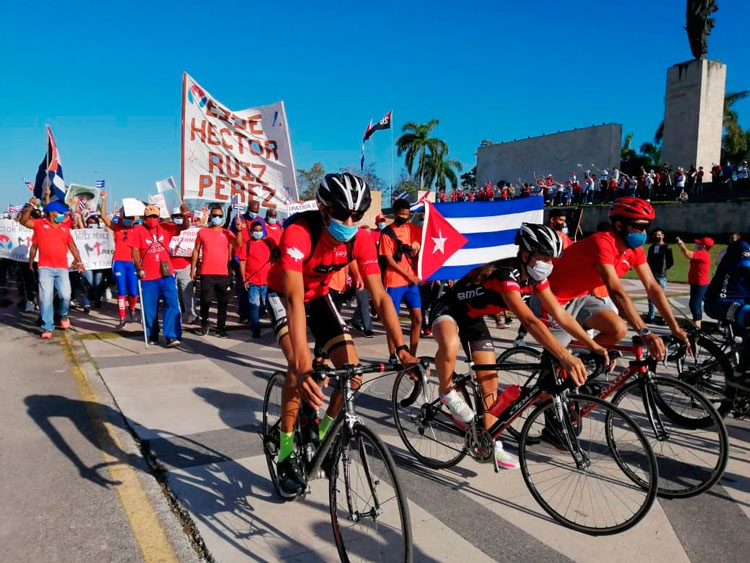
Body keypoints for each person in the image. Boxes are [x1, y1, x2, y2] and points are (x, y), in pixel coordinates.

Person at [265, 172, 418, 497]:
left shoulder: (361, 239)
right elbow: (293, 298)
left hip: (318, 297)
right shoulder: (299, 232)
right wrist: (303, 365)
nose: (349, 221)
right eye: (342, 214)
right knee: (297, 372)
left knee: (353, 374)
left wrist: (401, 349)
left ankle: (322, 434)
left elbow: (380, 297)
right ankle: (286, 450)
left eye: (356, 216)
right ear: (324, 210)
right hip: (285, 295)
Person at [430, 224, 608, 468]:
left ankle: (489, 442)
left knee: (489, 383)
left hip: (473, 319)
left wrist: (592, 345)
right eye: (544, 258)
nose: (549, 264)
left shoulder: (536, 279)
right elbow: (530, 321)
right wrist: (564, 355)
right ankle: (446, 392)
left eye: (552, 259)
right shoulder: (506, 275)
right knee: (449, 344)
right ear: (525, 255)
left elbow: (560, 314)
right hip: (449, 309)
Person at [532, 198, 690, 360]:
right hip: (552, 298)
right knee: (559, 360)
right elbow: (616, 292)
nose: (643, 233)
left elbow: (652, 287)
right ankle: (556, 372)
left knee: (618, 329)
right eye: (639, 227)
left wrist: (675, 328)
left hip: (580, 296)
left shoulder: (634, 250)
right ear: (619, 226)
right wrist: (644, 331)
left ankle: (582, 358)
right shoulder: (602, 243)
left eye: (646, 227)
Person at [18, 198, 86, 339]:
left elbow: (72, 246)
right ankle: (47, 327)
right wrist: (30, 206)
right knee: (46, 298)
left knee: (65, 296)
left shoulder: (64, 228)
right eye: (60, 212)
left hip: (62, 268)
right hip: (45, 269)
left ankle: (63, 315)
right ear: (51, 213)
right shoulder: (39, 225)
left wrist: (79, 261)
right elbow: (23, 221)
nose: (63, 215)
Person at [129, 204, 190, 346]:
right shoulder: (137, 231)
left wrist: (185, 214)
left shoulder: (165, 227)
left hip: (166, 274)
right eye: (149, 217)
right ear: (144, 218)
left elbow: (184, 227)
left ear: (159, 217)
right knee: (149, 308)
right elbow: (135, 251)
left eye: (155, 216)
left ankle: (171, 335)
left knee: (172, 304)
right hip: (148, 277)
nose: (152, 219)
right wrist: (138, 268)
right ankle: (152, 334)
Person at [703, 239, 750, 390]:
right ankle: (739, 374)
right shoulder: (743, 247)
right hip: (721, 302)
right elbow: (746, 270)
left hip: (742, 303)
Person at [380, 198, 423, 360]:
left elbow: (421, 252)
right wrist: (408, 275)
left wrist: (416, 252)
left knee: (417, 319)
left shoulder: (414, 229)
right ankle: (393, 354)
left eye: (407, 214)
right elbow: (389, 260)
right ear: (395, 213)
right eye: (401, 214)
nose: (404, 217)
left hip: (412, 283)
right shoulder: (387, 233)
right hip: (394, 281)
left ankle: (412, 353)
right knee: (393, 321)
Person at [191, 205, 243, 338]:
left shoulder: (226, 232)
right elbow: (196, 250)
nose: (217, 218)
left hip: (223, 274)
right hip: (207, 273)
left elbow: (239, 244)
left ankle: (221, 329)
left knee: (223, 303)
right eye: (215, 215)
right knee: (205, 301)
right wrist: (193, 268)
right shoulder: (202, 232)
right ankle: (204, 325)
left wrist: (239, 230)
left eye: (220, 216)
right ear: (210, 216)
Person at [100, 192, 142, 328]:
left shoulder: (137, 229)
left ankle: (133, 310)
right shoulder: (116, 227)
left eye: (130, 217)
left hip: (132, 263)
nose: (127, 219)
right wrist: (104, 200)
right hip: (118, 262)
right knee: (122, 290)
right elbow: (103, 216)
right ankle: (122, 318)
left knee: (134, 291)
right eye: (125, 217)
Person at [239, 221, 274, 338]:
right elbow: (242, 262)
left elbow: (273, 260)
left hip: (266, 281)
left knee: (264, 305)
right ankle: (255, 327)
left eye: (260, 230)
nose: (258, 232)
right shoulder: (247, 245)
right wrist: (244, 279)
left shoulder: (268, 244)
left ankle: (256, 320)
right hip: (252, 281)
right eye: (256, 230)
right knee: (254, 304)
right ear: (251, 231)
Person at [168, 207, 197, 325]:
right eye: (176, 216)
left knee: (188, 293)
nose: (178, 218)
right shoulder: (167, 229)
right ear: (172, 217)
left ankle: (192, 315)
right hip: (169, 266)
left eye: (180, 216)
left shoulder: (191, 229)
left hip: (185, 266)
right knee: (171, 294)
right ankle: (174, 316)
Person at [676, 235, 713, 329]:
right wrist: (682, 247)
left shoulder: (703, 254)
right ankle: (696, 323)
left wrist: (682, 245)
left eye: (699, 243)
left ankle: (697, 325)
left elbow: (688, 254)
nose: (697, 244)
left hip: (700, 283)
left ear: (704, 246)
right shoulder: (700, 253)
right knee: (695, 303)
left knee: (694, 304)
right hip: (696, 282)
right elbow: (687, 255)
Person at [645, 228, 674, 324]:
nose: (657, 237)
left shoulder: (666, 247)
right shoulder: (652, 248)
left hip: (661, 275)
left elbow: (670, 262)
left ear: (662, 236)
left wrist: (664, 269)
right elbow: (648, 260)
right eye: (655, 235)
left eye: (658, 235)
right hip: (651, 274)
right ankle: (651, 315)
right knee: (650, 296)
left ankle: (664, 317)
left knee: (661, 297)